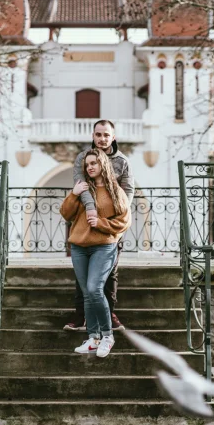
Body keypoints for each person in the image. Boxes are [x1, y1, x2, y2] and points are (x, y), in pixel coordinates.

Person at [64, 119, 135, 332]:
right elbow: (81, 186)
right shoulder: (84, 159)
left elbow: (128, 190)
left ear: (113, 137)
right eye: (98, 134)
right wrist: (91, 208)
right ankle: (81, 315)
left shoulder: (122, 162)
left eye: (106, 135)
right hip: (86, 225)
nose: (102, 139)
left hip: (111, 227)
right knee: (83, 276)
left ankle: (110, 314)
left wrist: (119, 213)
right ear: (93, 136)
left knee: (110, 273)